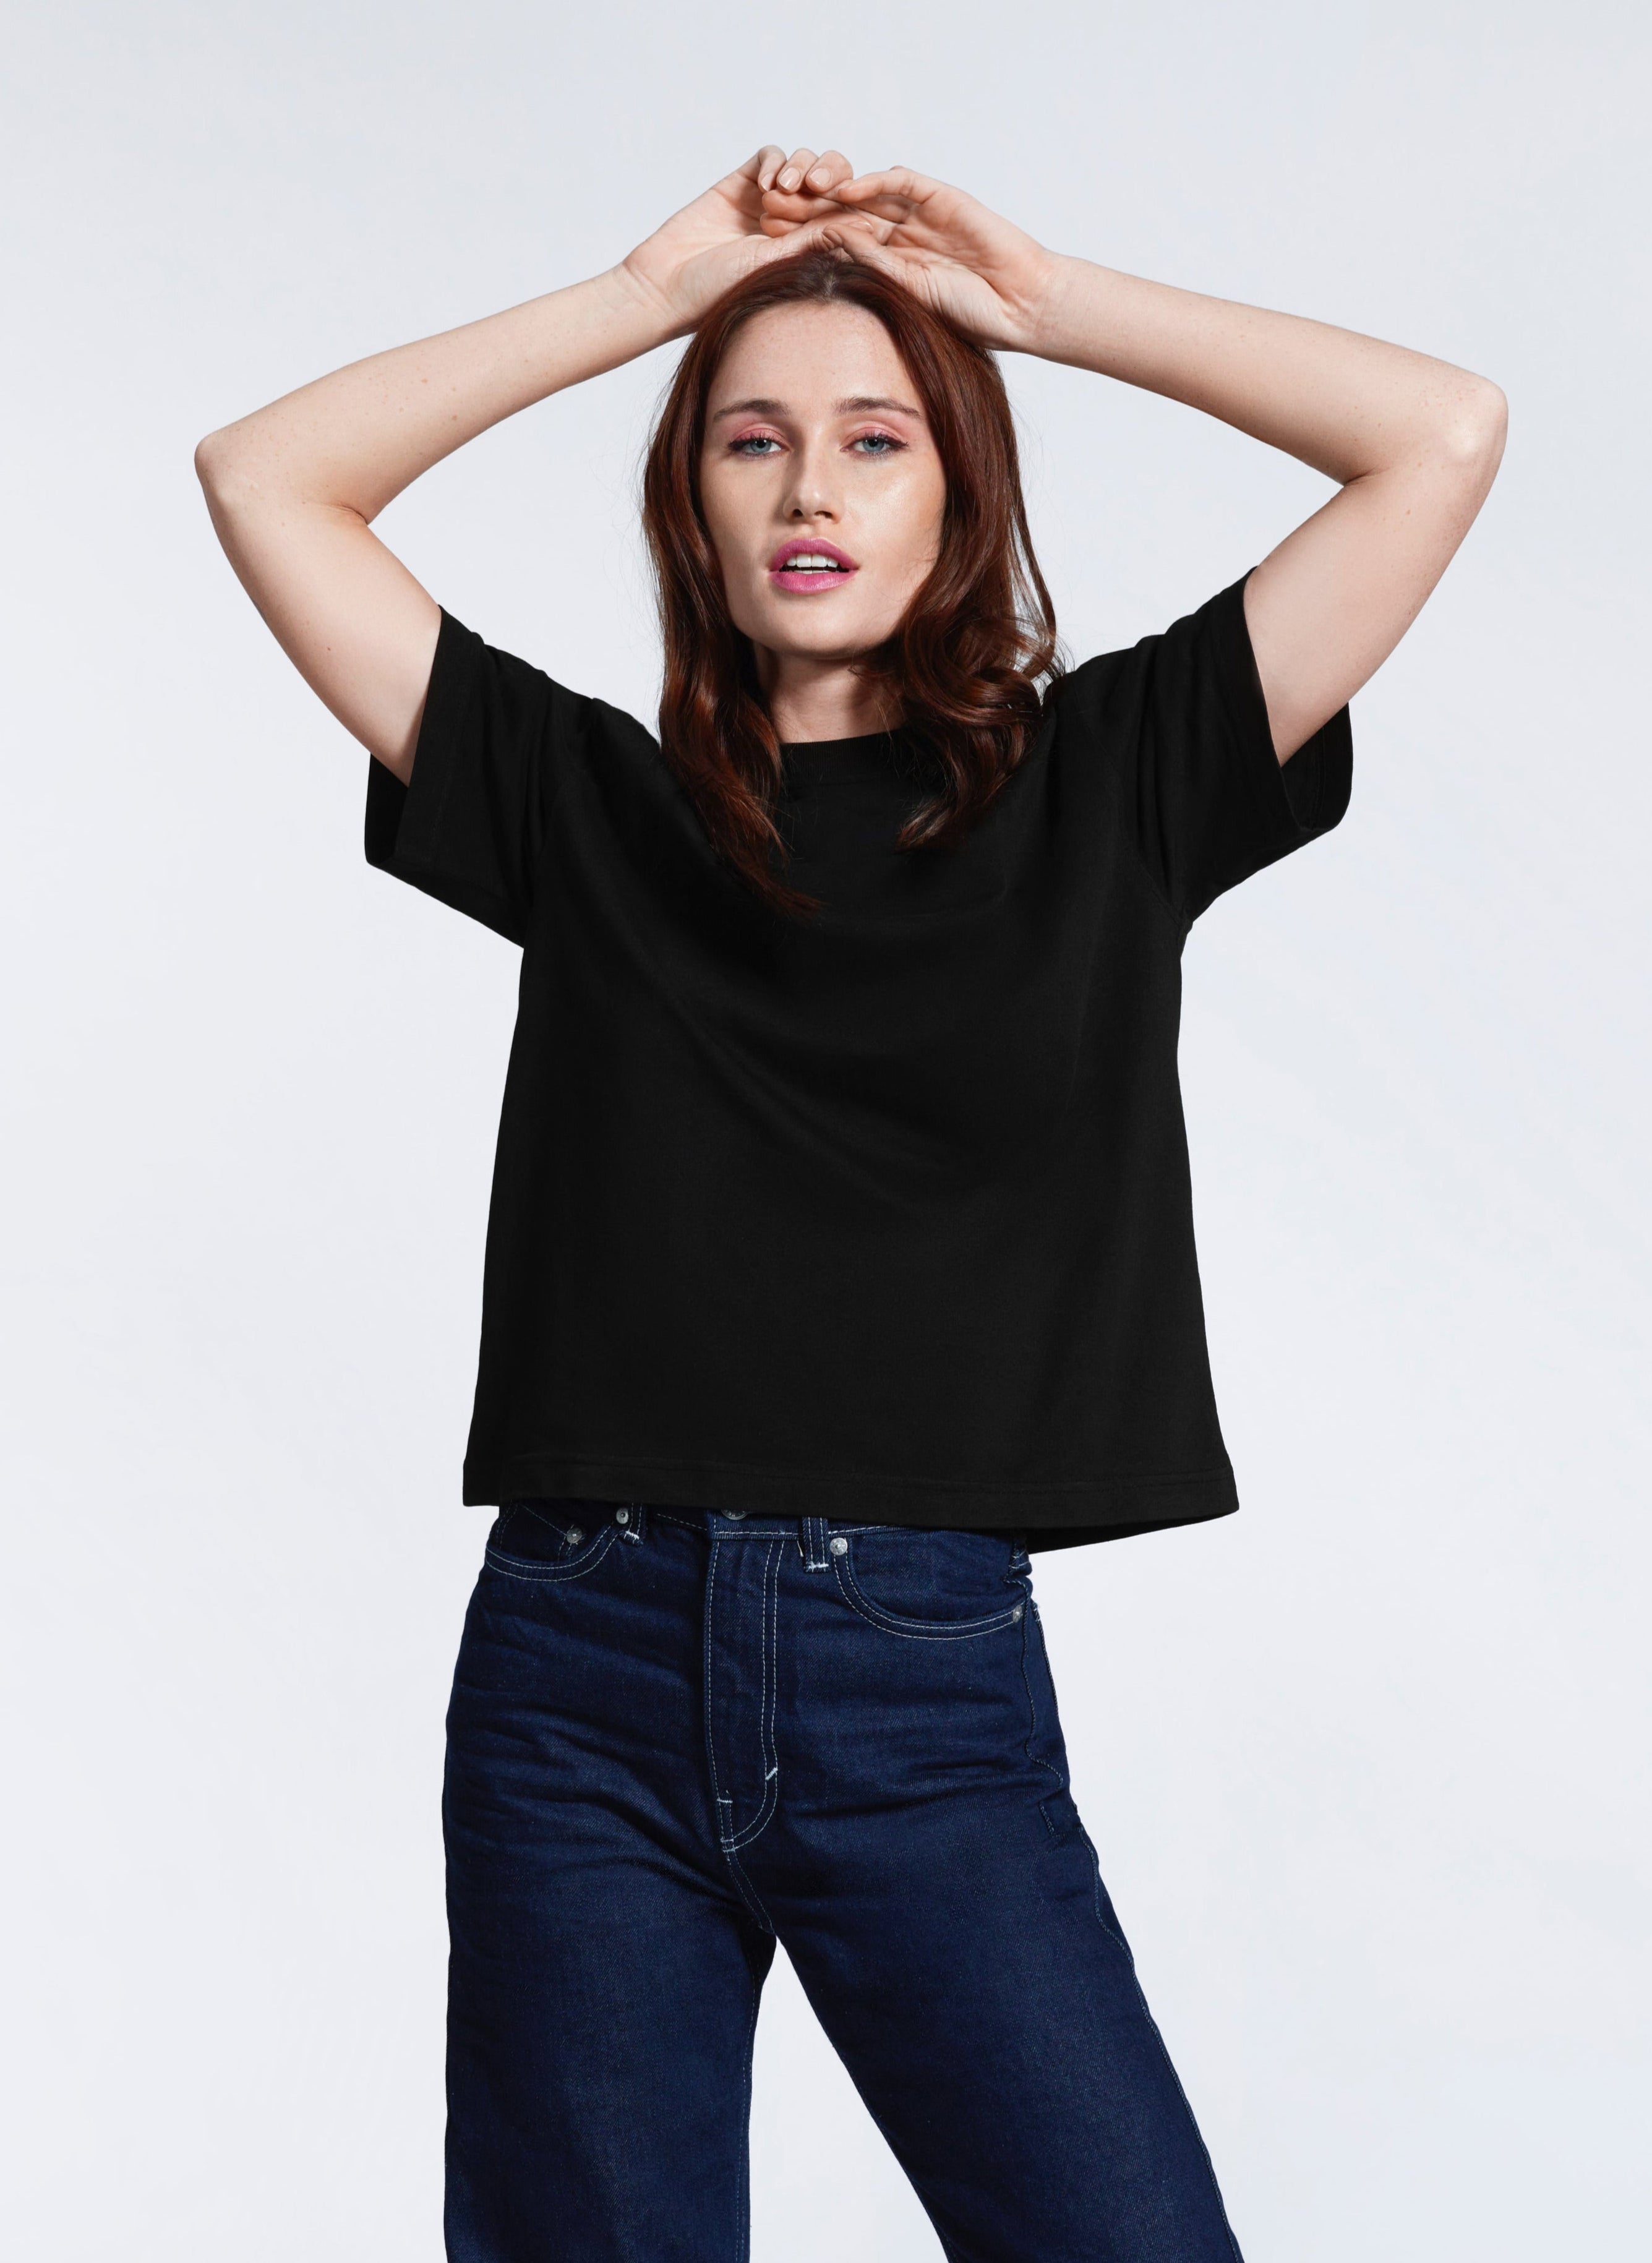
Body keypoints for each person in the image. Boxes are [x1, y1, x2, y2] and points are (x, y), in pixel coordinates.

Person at [196, 145, 1505, 2263]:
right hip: (576, 1674)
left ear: (959, 495)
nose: (811, 487)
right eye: (753, 441)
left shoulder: (1123, 778)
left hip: (923, 1679)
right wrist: (647, 295)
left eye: (876, 440)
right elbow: (267, 477)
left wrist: (1040, 298)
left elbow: (1440, 432)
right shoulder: (583, 809)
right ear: (693, 509)